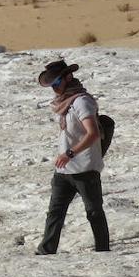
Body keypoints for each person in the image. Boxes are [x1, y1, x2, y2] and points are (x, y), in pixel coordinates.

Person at [34, 59, 110, 254]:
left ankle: (103, 250)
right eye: (52, 86)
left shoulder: (82, 101)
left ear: (68, 78)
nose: (54, 89)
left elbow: (92, 133)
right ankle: (46, 250)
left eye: (56, 84)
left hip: (85, 168)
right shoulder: (64, 103)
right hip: (64, 169)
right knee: (55, 213)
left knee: (93, 212)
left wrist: (70, 153)